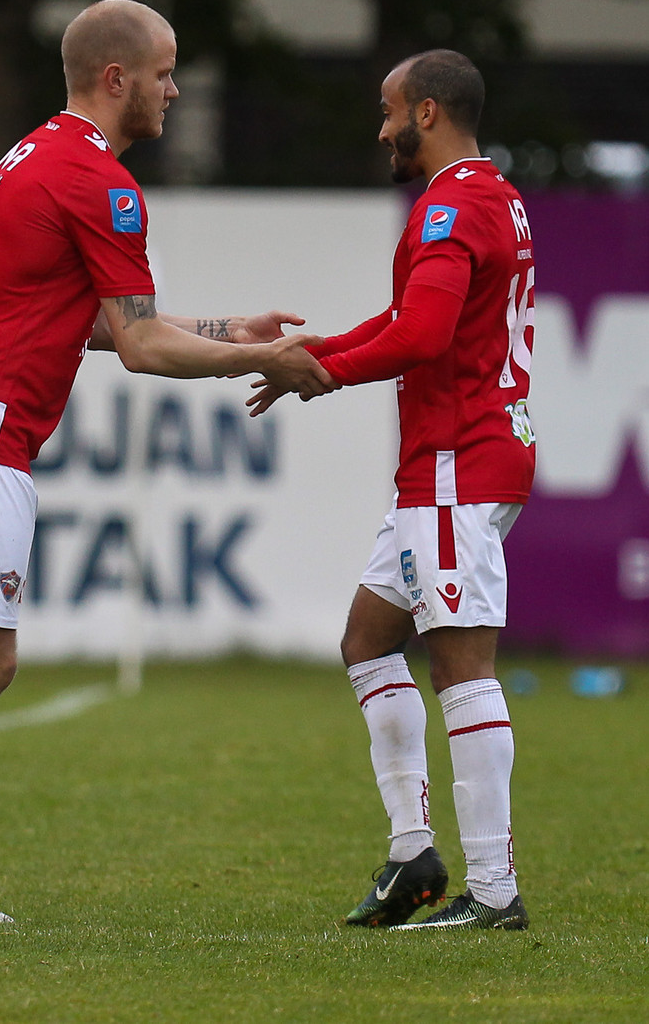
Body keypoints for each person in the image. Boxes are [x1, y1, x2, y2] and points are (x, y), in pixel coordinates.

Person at [0, 0, 335, 926]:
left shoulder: (38, 154)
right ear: (118, 78)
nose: (174, 90)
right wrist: (262, 360)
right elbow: (144, 345)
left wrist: (233, 329)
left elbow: (103, 323)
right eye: (164, 72)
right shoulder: (100, 182)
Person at [248, 49, 535, 931]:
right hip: (455, 465)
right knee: (368, 642)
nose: (381, 129)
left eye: (388, 110)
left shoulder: (449, 206)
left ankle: (494, 892)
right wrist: (318, 350)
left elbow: (424, 336)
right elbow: (410, 319)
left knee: (460, 668)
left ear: (427, 113)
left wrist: (321, 376)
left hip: (455, 464)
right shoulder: (495, 196)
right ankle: (414, 853)